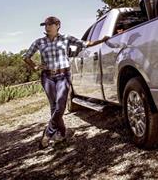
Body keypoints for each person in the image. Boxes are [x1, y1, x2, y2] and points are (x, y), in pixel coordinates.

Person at [23, 16, 108, 148]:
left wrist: (101, 40)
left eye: (49, 24)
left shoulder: (66, 38)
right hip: (47, 77)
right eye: (45, 25)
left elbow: (85, 44)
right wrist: (34, 66)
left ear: (58, 25)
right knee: (54, 106)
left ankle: (48, 132)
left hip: (63, 75)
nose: (46, 27)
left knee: (60, 105)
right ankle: (61, 134)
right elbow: (26, 57)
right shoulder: (39, 42)